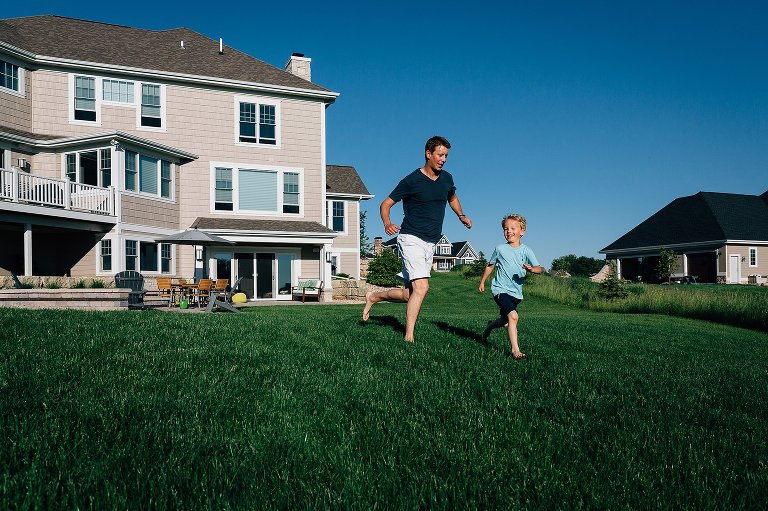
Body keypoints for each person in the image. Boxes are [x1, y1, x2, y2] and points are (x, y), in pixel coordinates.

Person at [362, 135, 472, 342]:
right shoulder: (411, 180)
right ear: (428, 154)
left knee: (409, 294)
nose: (443, 159)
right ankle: (409, 336)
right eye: (440, 155)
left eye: (446, 156)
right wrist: (387, 223)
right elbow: (385, 204)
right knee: (422, 288)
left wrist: (461, 215)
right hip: (411, 238)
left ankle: (374, 296)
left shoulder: (447, 179)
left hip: (431, 242)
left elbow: (452, 197)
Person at [478, 214, 543, 359]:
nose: (508, 231)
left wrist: (532, 269)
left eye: (513, 228)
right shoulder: (500, 249)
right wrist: (482, 281)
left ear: (522, 231)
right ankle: (515, 350)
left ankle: (490, 326)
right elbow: (490, 265)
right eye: (506, 229)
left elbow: (539, 268)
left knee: (505, 321)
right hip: (500, 289)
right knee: (513, 316)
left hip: (516, 293)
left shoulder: (526, 250)